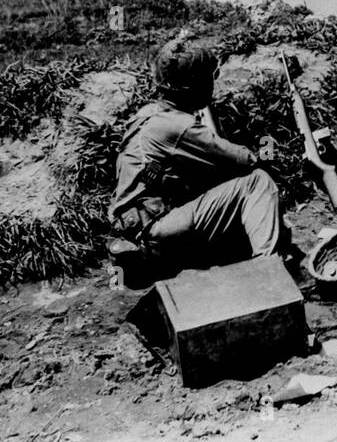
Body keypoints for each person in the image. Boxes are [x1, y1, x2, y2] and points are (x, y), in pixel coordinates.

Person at [108, 31, 289, 272]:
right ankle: (268, 276)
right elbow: (245, 161)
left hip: (131, 233)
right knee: (258, 183)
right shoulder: (179, 127)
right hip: (154, 235)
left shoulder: (147, 115)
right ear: (196, 86)